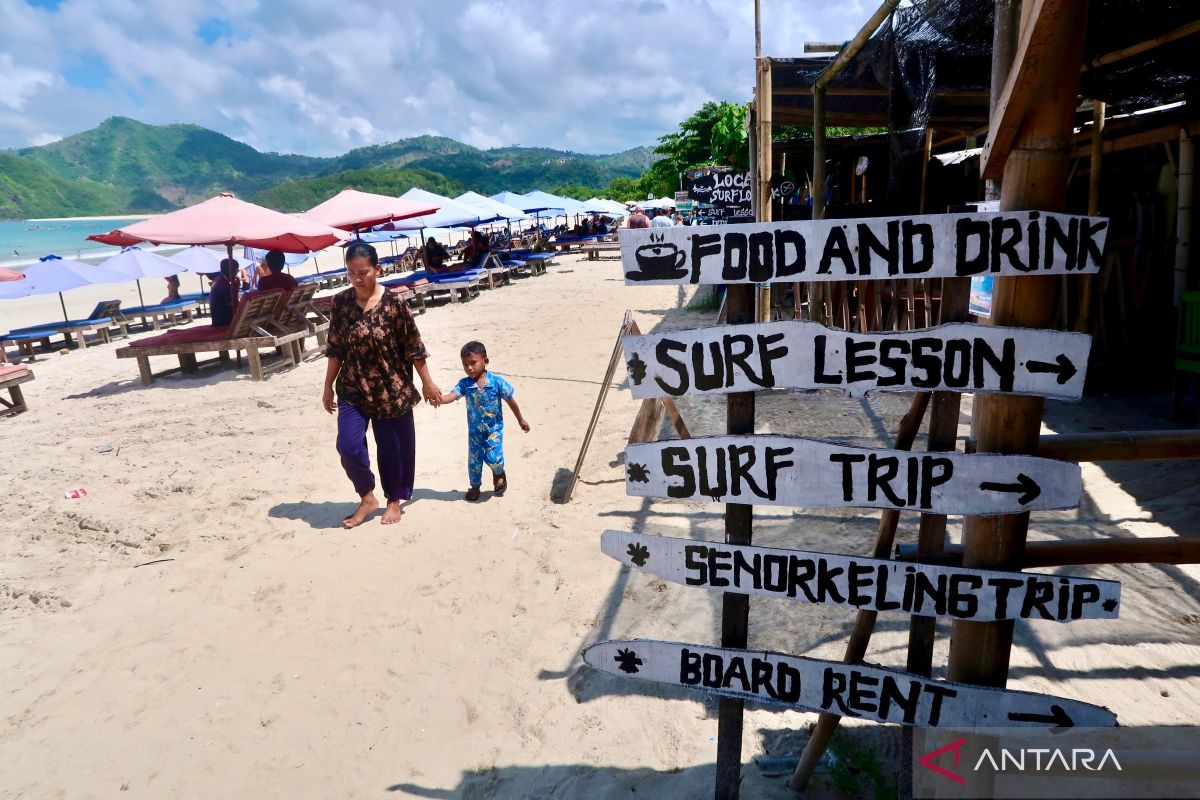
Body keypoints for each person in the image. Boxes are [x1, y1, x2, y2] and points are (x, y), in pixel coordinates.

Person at [323, 242, 443, 528]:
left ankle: (393, 500)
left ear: (377, 269)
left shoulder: (394, 304)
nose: (357, 278)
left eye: (363, 272)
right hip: (353, 387)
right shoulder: (340, 303)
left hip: (391, 387)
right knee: (349, 447)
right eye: (351, 272)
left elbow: (414, 347)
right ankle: (367, 497)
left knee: (392, 449)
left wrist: (427, 383)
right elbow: (335, 348)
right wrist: (327, 386)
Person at [438, 341, 530, 501]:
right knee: (474, 462)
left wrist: (520, 420)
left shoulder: (497, 382)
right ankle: (475, 487)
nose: (469, 368)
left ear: (485, 361)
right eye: (465, 364)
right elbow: (452, 396)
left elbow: (510, 400)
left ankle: (499, 473)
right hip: (475, 433)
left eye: (473, 363)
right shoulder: (465, 384)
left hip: (494, 429)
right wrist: (440, 399)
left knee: (494, 458)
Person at [209, 258, 241, 327]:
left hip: (220, 319)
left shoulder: (220, 280)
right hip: (223, 321)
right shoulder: (223, 284)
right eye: (237, 270)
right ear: (232, 271)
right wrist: (236, 288)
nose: (237, 273)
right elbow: (233, 304)